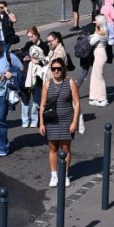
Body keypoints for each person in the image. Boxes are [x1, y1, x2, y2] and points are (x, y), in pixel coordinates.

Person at [39, 57, 80, 188]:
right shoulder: (47, 84)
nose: (56, 71)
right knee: (52, 147)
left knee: (66, 148)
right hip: (51, 120)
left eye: (58, 69)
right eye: (53, 69)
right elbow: (42, 105)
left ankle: (65, 174)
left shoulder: (70, 82)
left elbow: (77, 103)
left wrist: (74, 121)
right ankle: (54, 175)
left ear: (63, 69)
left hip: (67, 119)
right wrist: (41, 123)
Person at [20, 26, 48, 128]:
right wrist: (26, 57)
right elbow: (23, 53)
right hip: (28, 74)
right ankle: (25, 120)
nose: (30, 39)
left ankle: (34, 119)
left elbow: (47, 59)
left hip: (39, 76)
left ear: (37, 35)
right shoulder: (28, 45)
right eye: (28, 37)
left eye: (31, 37)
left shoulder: (44, 46)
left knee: (36, 99)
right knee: (25, 97)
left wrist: (39, 61)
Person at [87, 8, 110, 107]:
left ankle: (102, 98)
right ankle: (94, 97)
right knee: (94, 76)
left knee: (99, 76)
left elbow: (91, 41)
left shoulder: (101, 33)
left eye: (96, 20)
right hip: (98, 54)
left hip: (100, 55)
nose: (94, 22)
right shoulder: (103, 31)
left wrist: (94, 33)